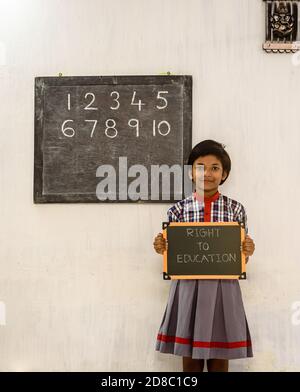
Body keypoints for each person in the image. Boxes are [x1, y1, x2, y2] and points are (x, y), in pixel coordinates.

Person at [153, 140, 255, 372]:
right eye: (200, 167)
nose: (207, 173)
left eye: (215, 168)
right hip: (188, 288)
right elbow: (171, 252)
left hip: (223, 288)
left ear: (224, 174)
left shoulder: (236, 209)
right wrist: (161, 246)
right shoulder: (177, 210)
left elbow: (240, 256)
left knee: (220, 356)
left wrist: (247, 250)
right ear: (191, 172)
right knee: (190, 360)